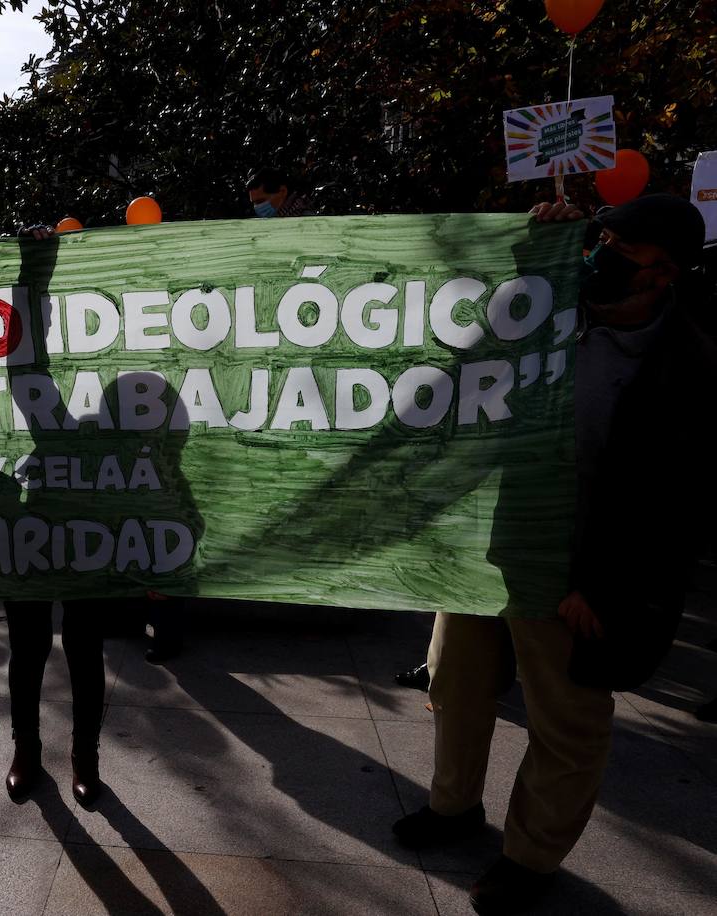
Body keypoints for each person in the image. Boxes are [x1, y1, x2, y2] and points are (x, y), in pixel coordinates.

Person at [393, 195, 710, 915]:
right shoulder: (550, 311)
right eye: (600, 237)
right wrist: (533, 255)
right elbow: (463, 356)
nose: (599, 254)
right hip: (489, 545)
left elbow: (673, 507)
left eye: (620, 249)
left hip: (575, 575)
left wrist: (600, 585)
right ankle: (452, 808)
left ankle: (531, 856)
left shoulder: (688, 366)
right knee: (454, 683)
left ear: (663, 275)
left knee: (565, 724)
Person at [245, 169, 317, 218]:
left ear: (283, 192)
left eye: (261, 201)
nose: (257, 207)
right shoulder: (275, 220)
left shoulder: (307, 220)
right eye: (254, 203)